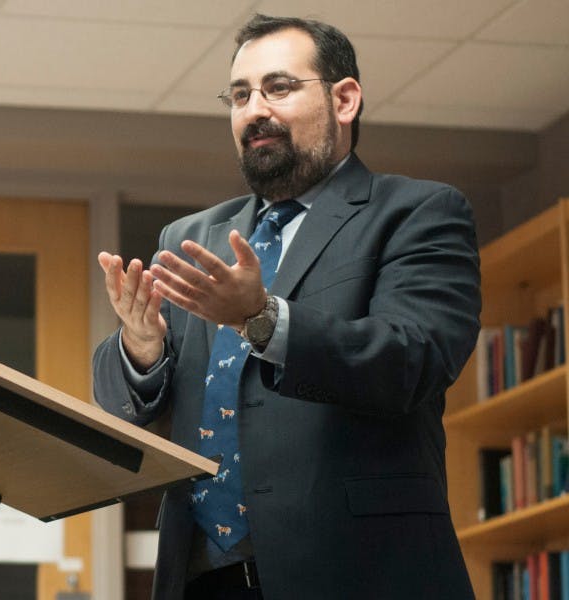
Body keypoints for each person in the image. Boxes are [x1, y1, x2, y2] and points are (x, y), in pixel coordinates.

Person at [92, 13, 480, 600]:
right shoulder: (191, 238)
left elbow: (412, 360)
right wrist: (142, 350)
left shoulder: (416, 213)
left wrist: (263, 320)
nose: (254, 110)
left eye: (278, 88)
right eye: (240, 95)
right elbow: (133, 402)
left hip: (358, 572)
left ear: (344, 99)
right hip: (200, 577)